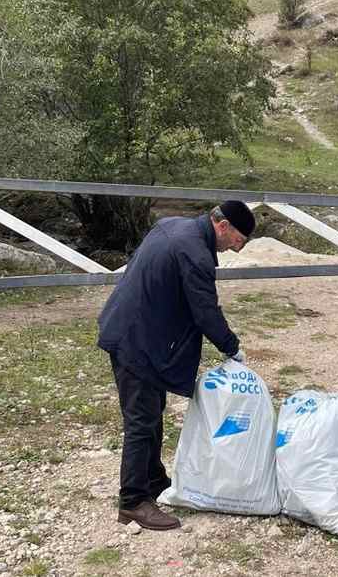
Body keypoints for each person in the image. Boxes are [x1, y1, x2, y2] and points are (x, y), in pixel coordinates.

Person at [96, 201, 255, 531]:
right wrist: (232, 347)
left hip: (136, 327)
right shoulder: (195, 253)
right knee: (141, 420)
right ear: (222, 226)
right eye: (240, 240)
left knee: (152, 410)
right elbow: (204, 310)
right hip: (137, 337)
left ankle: (154, 480)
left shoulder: (172, 226)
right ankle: (132, 502)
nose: (237, 249)